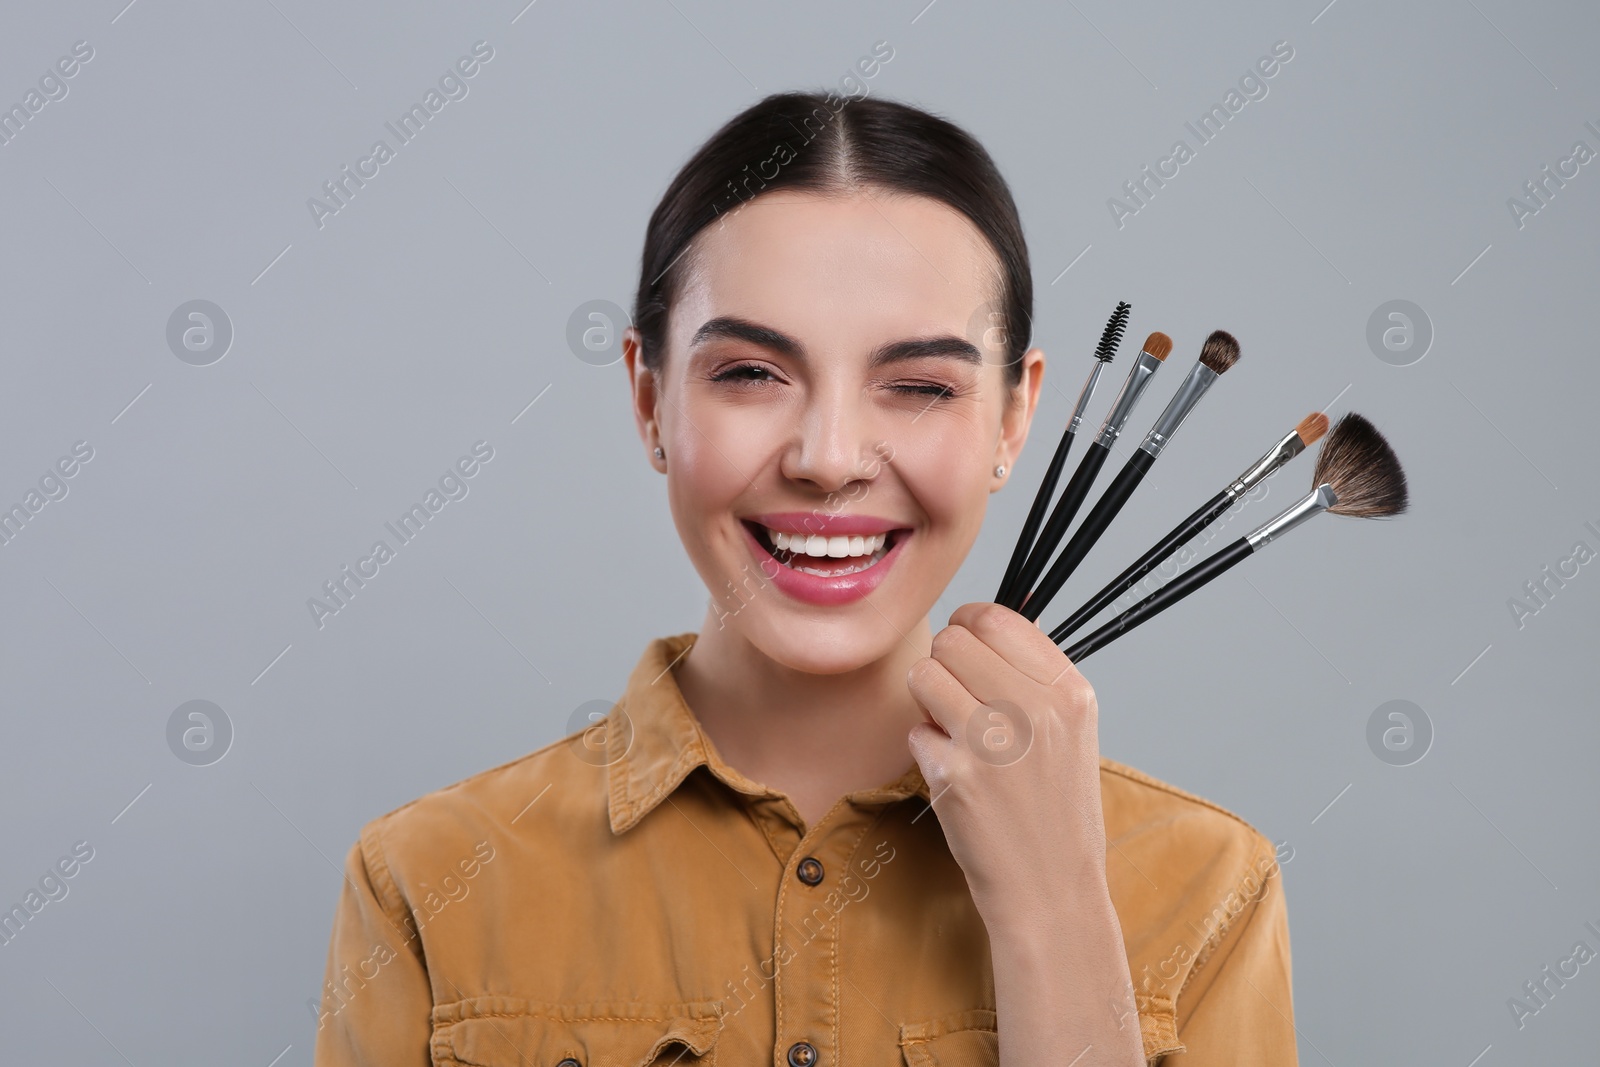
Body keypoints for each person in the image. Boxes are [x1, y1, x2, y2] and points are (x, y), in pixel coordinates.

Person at [314, 90, 1297, 1066]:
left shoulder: (1207, 887)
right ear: (650, 400)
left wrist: (1054, 909)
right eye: (749, 372)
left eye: (917, 386)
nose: (829, 458)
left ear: (1011, 417)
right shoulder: (426, 882)